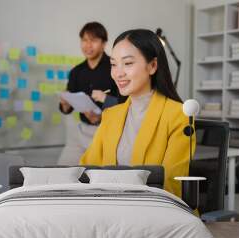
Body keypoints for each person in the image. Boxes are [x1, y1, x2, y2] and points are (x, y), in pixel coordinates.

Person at [80, 29, 195, 198]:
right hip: (108, 208)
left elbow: (171, 183)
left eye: (127, 63)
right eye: (113, 64)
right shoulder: (111, 115)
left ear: (152, 66)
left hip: (155, 210)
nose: (118, 73)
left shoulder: (179, 115)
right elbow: (87, 169)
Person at [58, 22, 122, 165]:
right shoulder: (76, 71)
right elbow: (67, 109)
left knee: (98, 176)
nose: (88, 45)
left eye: (93, 40)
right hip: (81, 131)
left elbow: (125, 104)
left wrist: (102, 110)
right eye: (84, 40)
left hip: (108, 131)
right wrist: (65, 104)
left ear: (104, 43)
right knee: (63, 168)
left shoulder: (115, 68)